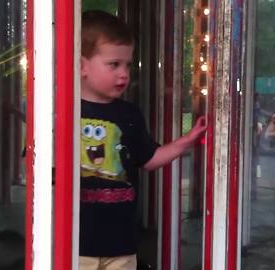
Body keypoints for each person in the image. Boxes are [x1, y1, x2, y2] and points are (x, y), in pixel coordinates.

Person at [79, 10, 207, 270]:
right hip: (74, 243)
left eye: (127, 64)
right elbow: (34, 163)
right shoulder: (61, 112)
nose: (124, 73)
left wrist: (187, 140)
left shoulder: (129, 114)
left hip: (121, 244)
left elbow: (149, 159)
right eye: (113, 64)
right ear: (81, 65)